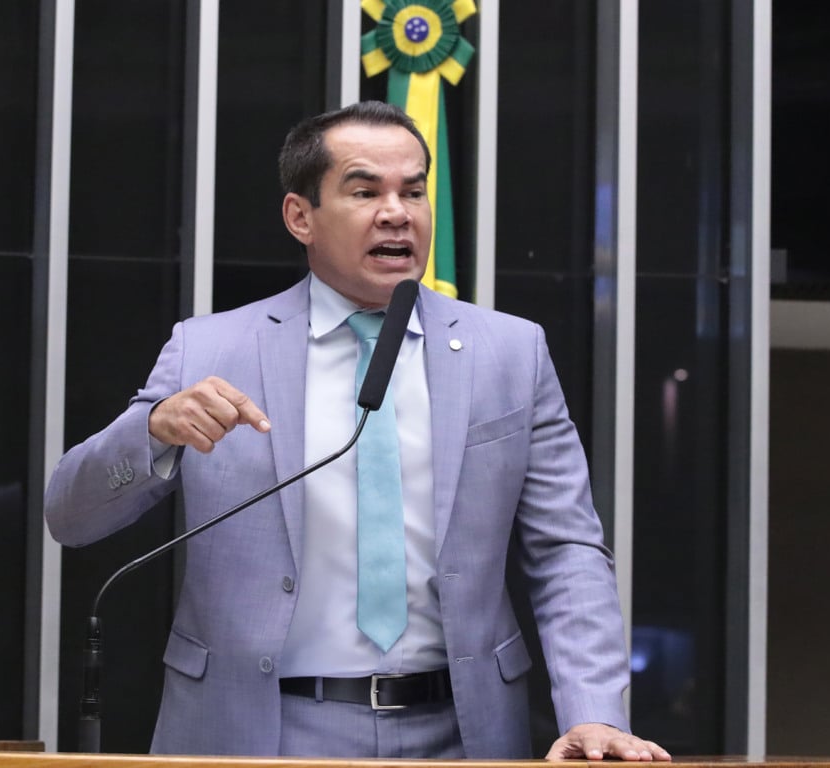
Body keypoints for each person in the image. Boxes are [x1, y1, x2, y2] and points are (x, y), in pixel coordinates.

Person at [45, 101, 670, 762]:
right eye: (365, 190)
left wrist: (595, 712)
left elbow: (566, 547)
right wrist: (153, 433)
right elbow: (70, 515)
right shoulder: (211, 350)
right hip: (259, 733)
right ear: (300, 217)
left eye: (414, 192)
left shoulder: (510, 354)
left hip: (463, 734)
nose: (397, 213)